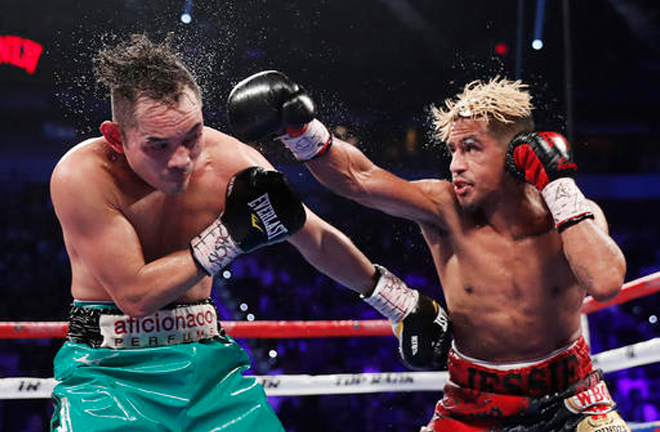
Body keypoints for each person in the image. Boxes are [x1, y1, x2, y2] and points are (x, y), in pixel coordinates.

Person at [48, 36, 450, 432]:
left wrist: (400, 304)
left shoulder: (230, 164)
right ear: (117, 137)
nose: (181, 159)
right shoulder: (84, 175)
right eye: (158, 145)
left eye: (192, 137)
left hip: (206, 369)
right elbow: (136, 296)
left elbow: (312, 235)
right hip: (107, 373)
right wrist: (230, 236)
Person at [227, 71, 632, 431]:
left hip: (572, 392)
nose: (456, 164)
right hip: (474, 402)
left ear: (516, 153)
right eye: (453, 150)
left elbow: (606, 281)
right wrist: (300, 131)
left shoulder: (569, 214)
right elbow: (359, 178)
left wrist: (557, 184)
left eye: (471, 148)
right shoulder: (444, 209)